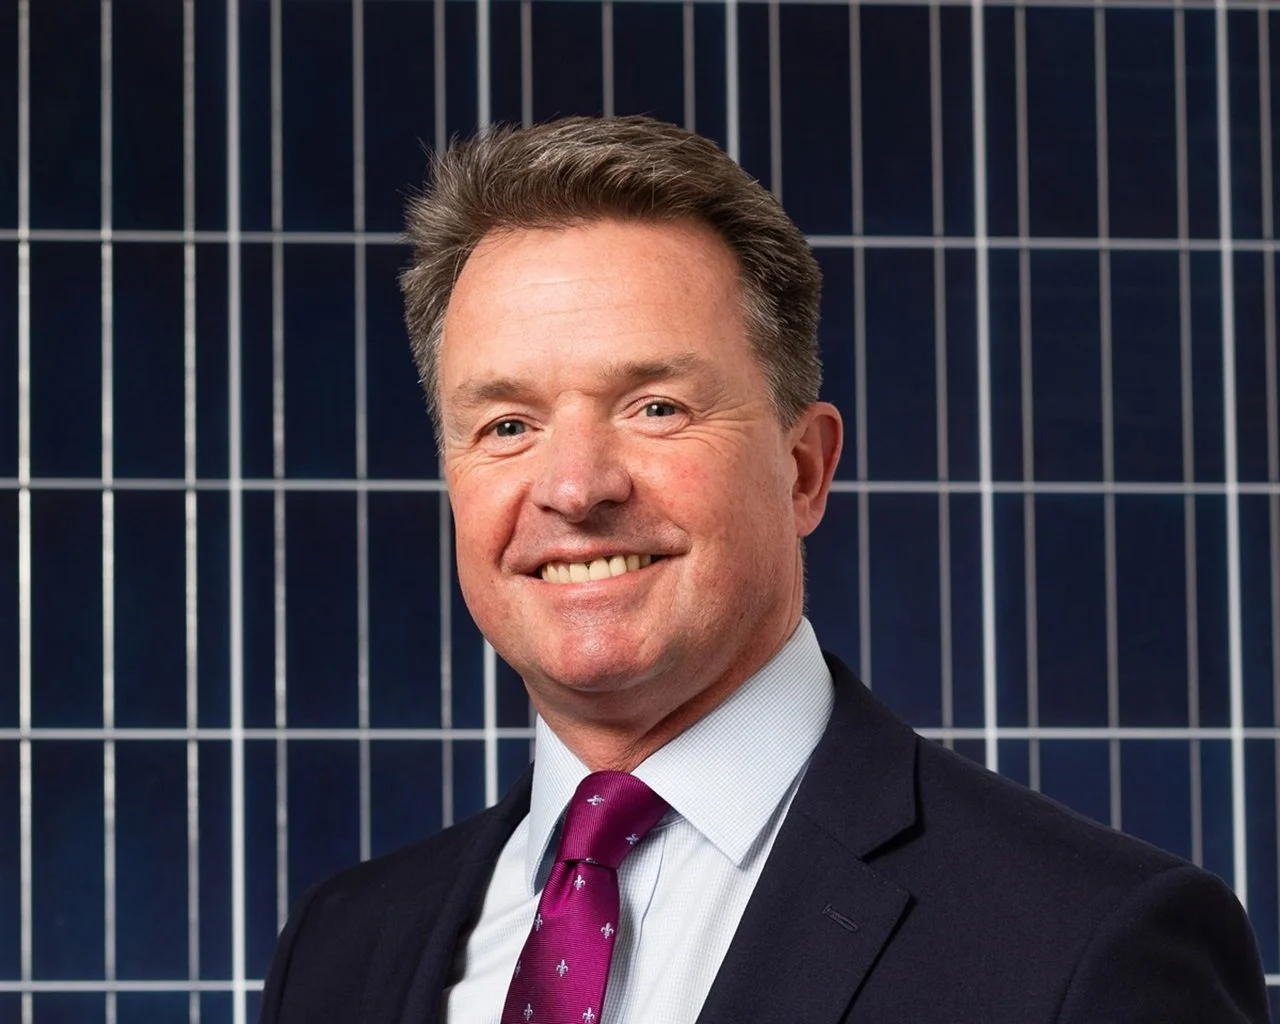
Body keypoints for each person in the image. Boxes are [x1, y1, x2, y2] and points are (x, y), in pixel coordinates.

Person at [258, 116, 1270, 1023]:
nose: (574, 487)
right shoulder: (340, 952)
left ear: (802, 470)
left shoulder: (1088, 945)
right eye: (507, 425)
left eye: (655, 407)